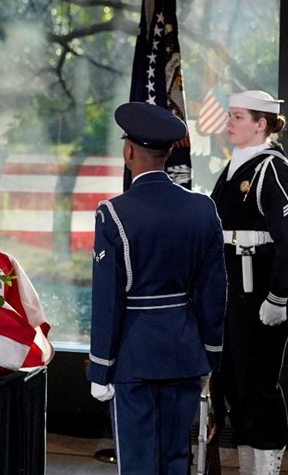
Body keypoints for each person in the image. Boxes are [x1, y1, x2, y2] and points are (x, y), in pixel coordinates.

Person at [87, 102, 226, 475]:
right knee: (175, 460)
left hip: (134, 357)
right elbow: (213, 294)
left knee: (138, 464)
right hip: (184, 353)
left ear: (128, 151)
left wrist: (100, 369)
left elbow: (108, 301)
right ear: (168, 153)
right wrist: (210, 355)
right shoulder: (203, 209)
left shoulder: (113, 214)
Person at [210, 90, 288, 475]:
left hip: (261, 290)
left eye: (237, 116)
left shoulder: (273, 170)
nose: (229, 123)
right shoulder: (236, 166)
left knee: (257, 386)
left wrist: (279, 296)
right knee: (234, 385)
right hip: (235, 290)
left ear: (261, 124)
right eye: (231, 115)